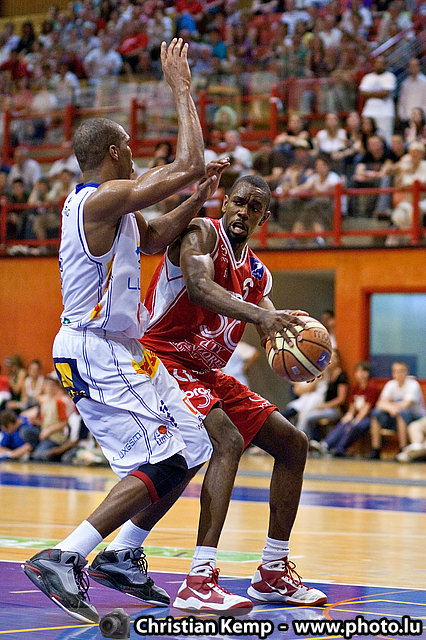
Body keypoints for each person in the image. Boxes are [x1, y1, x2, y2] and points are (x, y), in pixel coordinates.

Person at [22, 38, 225, 625]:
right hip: (96, 348)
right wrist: (182, 90)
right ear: (113, 152)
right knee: (164, 460)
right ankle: (64, 556)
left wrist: (198, 197)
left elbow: (155, 238)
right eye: (130, 149)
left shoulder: (117, 210)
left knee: (194, 447)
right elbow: (186, 164)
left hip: (124, 349)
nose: (135, 156)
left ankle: (123, 554)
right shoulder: (98, 200)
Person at [139, 174, 327, 610]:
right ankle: (198, 579)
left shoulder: (258, 273)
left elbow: (272, 326)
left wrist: (300, 350)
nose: (243, 211)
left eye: (253, 207)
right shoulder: (202, 233)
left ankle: (272, 572)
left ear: (264, 217)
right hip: (161, 358)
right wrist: (262, 318)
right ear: (224, 203)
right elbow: (200, 287)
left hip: (204, 371)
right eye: (238, 202)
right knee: (226, 440)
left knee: (293, 443)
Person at [310, 361, 380, 457]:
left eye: (363, 371)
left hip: (368, 418)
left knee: (354, 426)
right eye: (358, 371)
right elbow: (352, 406)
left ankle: (339, 449)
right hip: (356, 416)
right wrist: (349, 416)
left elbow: (367, 409)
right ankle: (325, 445)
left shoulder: (371, 387)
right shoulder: (356, 387)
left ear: (367, 373)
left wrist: (355, 421)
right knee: (343, 423)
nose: (360, 374)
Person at [368, 361, 426, 459]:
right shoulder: (391, 384)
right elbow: (380, 403)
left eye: (401, 371)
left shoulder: (413, 385)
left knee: (401, 413)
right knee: (376, 413)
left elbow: (406, 404)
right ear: (393, 373)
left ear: (406, 372)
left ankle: (402, 448)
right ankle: (376, 449)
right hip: (394, 415)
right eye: (396, 371)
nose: (398, 374)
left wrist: (391, 406)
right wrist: (391, 408)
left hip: (416, 418)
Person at [359, 55, 396, 145]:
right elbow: (362, 93)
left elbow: (385, 93)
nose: (379, 65)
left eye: (381, 63)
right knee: (367, 136)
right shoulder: (368, 77)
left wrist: (370, 93)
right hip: (369, 111)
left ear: (385, 64)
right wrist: (379, 92)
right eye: (377, 63)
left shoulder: (390, 76)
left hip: (385, 112)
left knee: (385, 138)